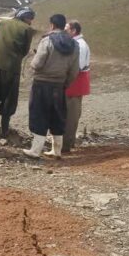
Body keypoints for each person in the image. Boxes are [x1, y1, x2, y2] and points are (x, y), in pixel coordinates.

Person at [23, 14, 79, 160]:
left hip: (41, 84)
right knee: (58, 116)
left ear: (52, 25)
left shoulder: (47, 40)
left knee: (39, 115)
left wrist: (32, 64)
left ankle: (36, 150)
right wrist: (65, 83)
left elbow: (37, 63)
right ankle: (57, 150)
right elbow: (74, 70)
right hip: (59, 85)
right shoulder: (74, 44)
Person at [0, 7, 36, 137]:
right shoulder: (27, 29)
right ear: (25, 17)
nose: (31, 21)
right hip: (12, 69)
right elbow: (25, 50)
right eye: (30, 18)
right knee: (8, 99)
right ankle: (4, 130)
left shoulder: (2, 23)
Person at [62, 20, 91, 153]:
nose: (65, 31)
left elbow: (77, 67)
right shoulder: (77, 44)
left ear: (73, 31)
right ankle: (68, 141)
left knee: (71, 115)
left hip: (75, 83)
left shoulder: (79, 45)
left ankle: (66, 144)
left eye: (67, 29)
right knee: (71, 114)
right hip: (75, 83)